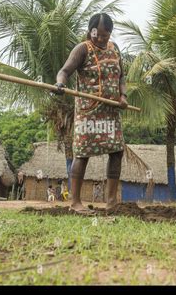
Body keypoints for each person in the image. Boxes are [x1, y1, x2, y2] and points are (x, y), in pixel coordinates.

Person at [55, 13, 128, 214]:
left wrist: (123, 96)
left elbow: (121, 76)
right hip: (89, 112)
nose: (100, 39)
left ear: (110, 34)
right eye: (96, 35)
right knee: (82, 153)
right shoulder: (82, 49)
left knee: (116, 151)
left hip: (111, 112)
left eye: (105, 36)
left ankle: (111, 201)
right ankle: (76, 202)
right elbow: (65, 71)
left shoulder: (115, 49)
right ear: (90, 31)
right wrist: (60, 83)